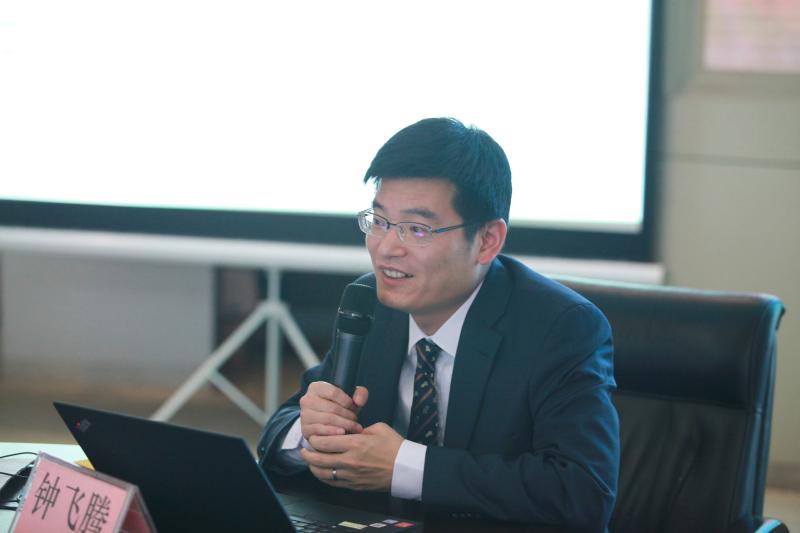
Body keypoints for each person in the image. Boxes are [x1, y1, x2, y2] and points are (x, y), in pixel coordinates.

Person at [257, 117, 619, 530]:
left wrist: (405, 467)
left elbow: (583, 492)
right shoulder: (370, 304)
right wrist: (308, 431)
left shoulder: (560, 328)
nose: (386, 248)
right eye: (379, 221)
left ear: (487, 241)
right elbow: (278, 433)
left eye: (417, 229)